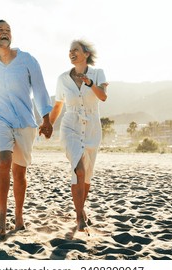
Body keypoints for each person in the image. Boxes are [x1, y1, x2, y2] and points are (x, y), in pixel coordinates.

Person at [0, 19, 53, 236]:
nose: (5, 33)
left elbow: (40, 89)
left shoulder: (27, 60)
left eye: (8, 30)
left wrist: (46, 119)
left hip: (24, 121)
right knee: (3, 160)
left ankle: (19, 215)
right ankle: (1, 213)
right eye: (0, 30)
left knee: (19, 173)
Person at [49, 39, 108, 232]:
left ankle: (81, 210)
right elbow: (58, 105)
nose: (71, 53)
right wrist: (48, 124)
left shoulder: (98, 74)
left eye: (75, 50)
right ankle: (79, 215)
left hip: (92, 127)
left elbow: (103, 96)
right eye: (70, 51)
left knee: (87, 173)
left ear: (86, 54)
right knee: (79, 169)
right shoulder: (62, 79)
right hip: (70, 125)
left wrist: (90, 83)